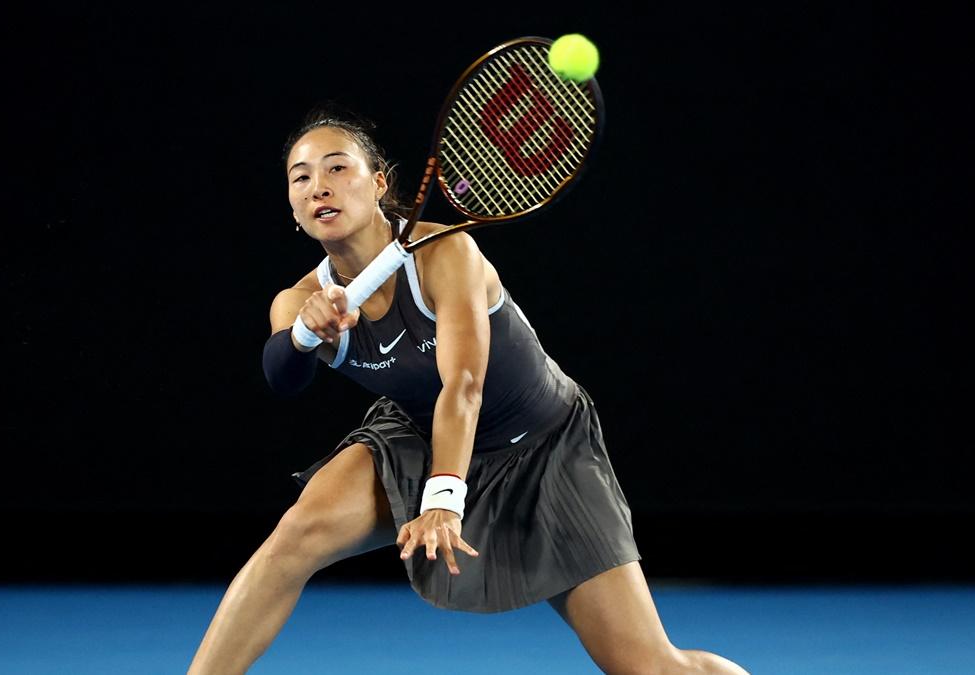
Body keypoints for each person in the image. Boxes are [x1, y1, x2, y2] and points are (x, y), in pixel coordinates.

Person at [187, 108, 749, 675]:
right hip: (416, 434)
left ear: (379, 183)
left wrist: (443, 499)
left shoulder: (444, 255)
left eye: (338, 167)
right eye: (301, 176)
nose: (319, 186)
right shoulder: (299, 300)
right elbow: (282, 376)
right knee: (295, 535)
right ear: (291, 203)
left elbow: (464, 384)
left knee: (651, 667)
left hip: (541, 448)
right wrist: (306, 334)